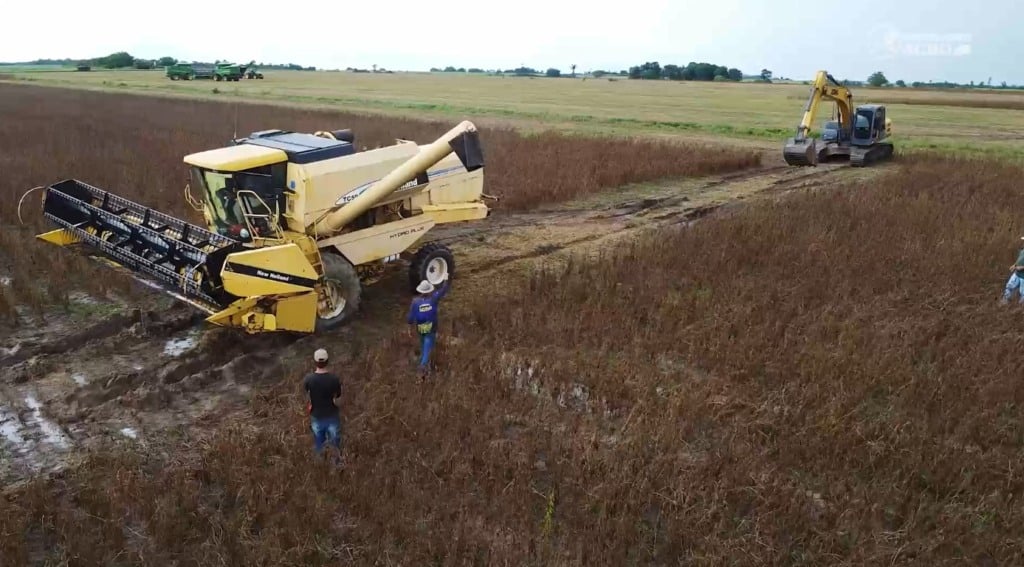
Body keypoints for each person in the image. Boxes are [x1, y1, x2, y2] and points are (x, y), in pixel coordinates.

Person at [406, 273, 451, 377]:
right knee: (428, 346)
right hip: (431, 327)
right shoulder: (433, 299)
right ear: (429, 290)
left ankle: (425, 363)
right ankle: (423, 367)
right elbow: (443, 290)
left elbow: (410, 317)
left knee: (423, 344)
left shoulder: (415, 302)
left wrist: (409, 327)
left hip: (420, 327)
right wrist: (445, 279)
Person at [302, 348, 342, 461]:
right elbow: (338, 397)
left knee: (319, 443)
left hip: (316, 416)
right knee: (335, 444)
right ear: (327, 361)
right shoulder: (334, 379)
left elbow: (306, 397)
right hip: (332, 415)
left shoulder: (308, 379)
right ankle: (336, 466)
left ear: (315, 362)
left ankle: (320, 465)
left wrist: (310, 405)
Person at [1003, 237, 1024, 304]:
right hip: (1017, 274)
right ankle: (1005, 301)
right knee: (1009, 286)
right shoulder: (1022, 250)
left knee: (1023, 292)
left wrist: (1022, 267)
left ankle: (1020, 309)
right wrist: (1014, 265)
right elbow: (1019, 260)